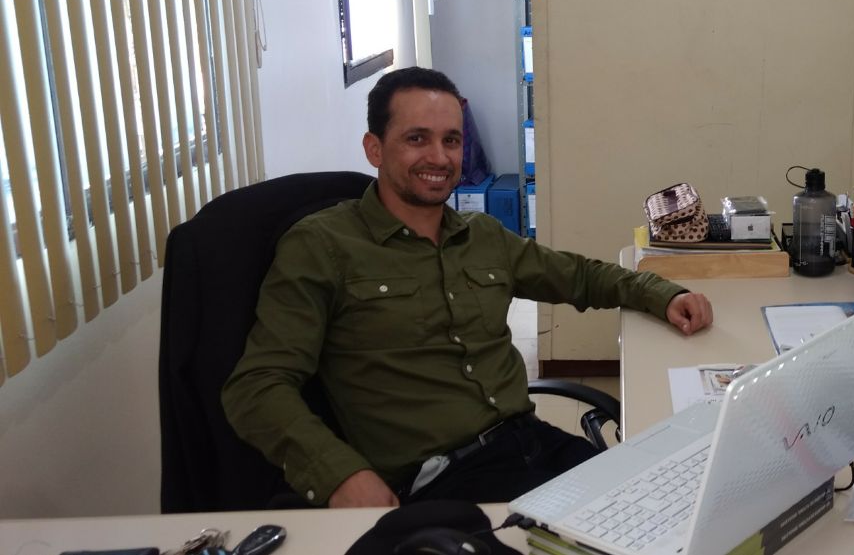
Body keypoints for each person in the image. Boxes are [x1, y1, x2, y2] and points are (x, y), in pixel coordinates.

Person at [223, 67, 713, 509]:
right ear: (374, 148)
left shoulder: (482, 236)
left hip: (532, 444)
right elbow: (256, 386)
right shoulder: (323, 245)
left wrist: (662, 293)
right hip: (442, 484)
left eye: (452, 140)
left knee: (672, 507)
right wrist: (339, 475)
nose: (439, 157)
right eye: (417, 138)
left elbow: (578, 276)